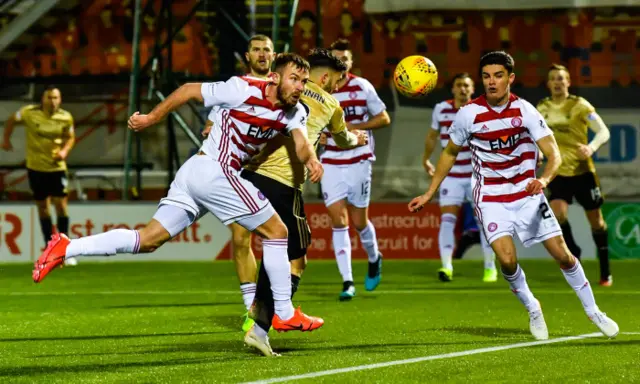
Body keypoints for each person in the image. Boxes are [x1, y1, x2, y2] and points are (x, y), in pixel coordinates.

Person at [32, 54, 326, 345]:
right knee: (278, 232)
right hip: (213, 170)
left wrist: (311, 160)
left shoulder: (295, 111)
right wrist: (150, 118)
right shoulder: (241, 89)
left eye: (303, 81)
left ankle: (67, 246)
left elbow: (300, 143)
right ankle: (284, 312)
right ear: (274, 77)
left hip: (198, 174)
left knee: (147, 239)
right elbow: (188, 91)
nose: (300, 86)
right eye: (294, 78)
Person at [408, 51, 618, 340]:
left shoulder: (525, 111)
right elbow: (450, 152)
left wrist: (543, 179)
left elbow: (553, 154)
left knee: (564, 256)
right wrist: (430, 191)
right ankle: (533, 307)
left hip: (527, 195)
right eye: (486, 76)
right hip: (491, 197)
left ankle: (594, 311)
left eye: (498, 75)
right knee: (506, 261)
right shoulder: (468, 113)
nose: (491, 82)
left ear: (510, 78)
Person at [320, 38, 391, 300]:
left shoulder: (362, 87)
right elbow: (310, 125)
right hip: (331, 162)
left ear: (351, 62)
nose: (341, 62)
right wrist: (323, 137)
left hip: (359, 159)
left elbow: (384, 117)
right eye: (336, 58)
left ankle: (374, 257)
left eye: (345, 58)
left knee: (360, 222)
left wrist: (354, 130)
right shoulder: (319, 90)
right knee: (339, 221)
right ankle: (347, 281)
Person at [536, 64, 612, 286]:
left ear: (568, 81)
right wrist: (539, 152)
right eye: (553, 79)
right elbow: (535, 135)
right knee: (557, 214)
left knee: (596, 222)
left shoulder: (580, 105)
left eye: (561, 78)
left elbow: (603, 131)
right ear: (548, 83)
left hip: (582, 171)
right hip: (557, 171)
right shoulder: (542, 108)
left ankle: (605, 271)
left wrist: (591, 147)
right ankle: (574, 250)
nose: (557, 82)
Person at [422, 73, 496, 282]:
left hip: (477, 175)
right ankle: (446, 267)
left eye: (466, 85)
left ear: (472, 89)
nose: (463, 89)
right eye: (459, 85)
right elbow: (432, 136)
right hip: (451, 175)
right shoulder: (441, 109)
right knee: (447, 220)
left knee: (484, 221)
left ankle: (490, 267)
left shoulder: (481, 109)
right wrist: (426, 159)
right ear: (453, 89)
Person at [1, 86, 77, 266]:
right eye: (50, 97)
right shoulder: (29, 113)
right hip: (35, 168)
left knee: (61, 206)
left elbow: (71, 137)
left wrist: (65, 150)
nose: (53, 101)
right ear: (43, 99)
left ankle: (65, 250)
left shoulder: (66, 117)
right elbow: (11, 120)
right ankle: (50, 250)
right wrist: (6, 139)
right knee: (43, 208)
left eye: (56, 97)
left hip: (56, 168)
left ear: (60, 99)